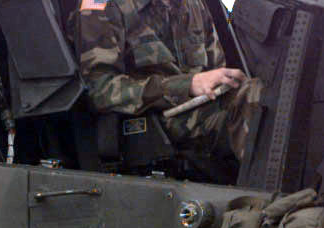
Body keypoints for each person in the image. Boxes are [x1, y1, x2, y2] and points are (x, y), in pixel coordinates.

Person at [75, 0, 262, 169]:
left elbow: (216, 70)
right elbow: (100, 90)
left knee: (263, 94)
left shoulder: (194, 5)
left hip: (201, 109)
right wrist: (186, 85)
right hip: (153, 120)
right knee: (250, 100)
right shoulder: (104, 6)